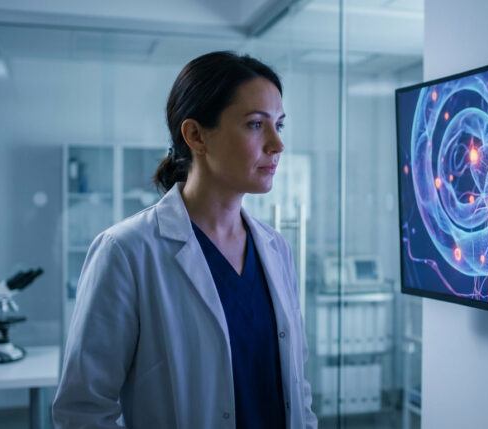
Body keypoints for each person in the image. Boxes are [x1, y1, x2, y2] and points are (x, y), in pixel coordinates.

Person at [52, 51, 317, 429]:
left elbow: (296, 387)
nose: (277, 144)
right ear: (195, 135)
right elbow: (82, 411)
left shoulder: (276, 249)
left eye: (280, 125)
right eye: (256, 125)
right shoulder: (126, 252)